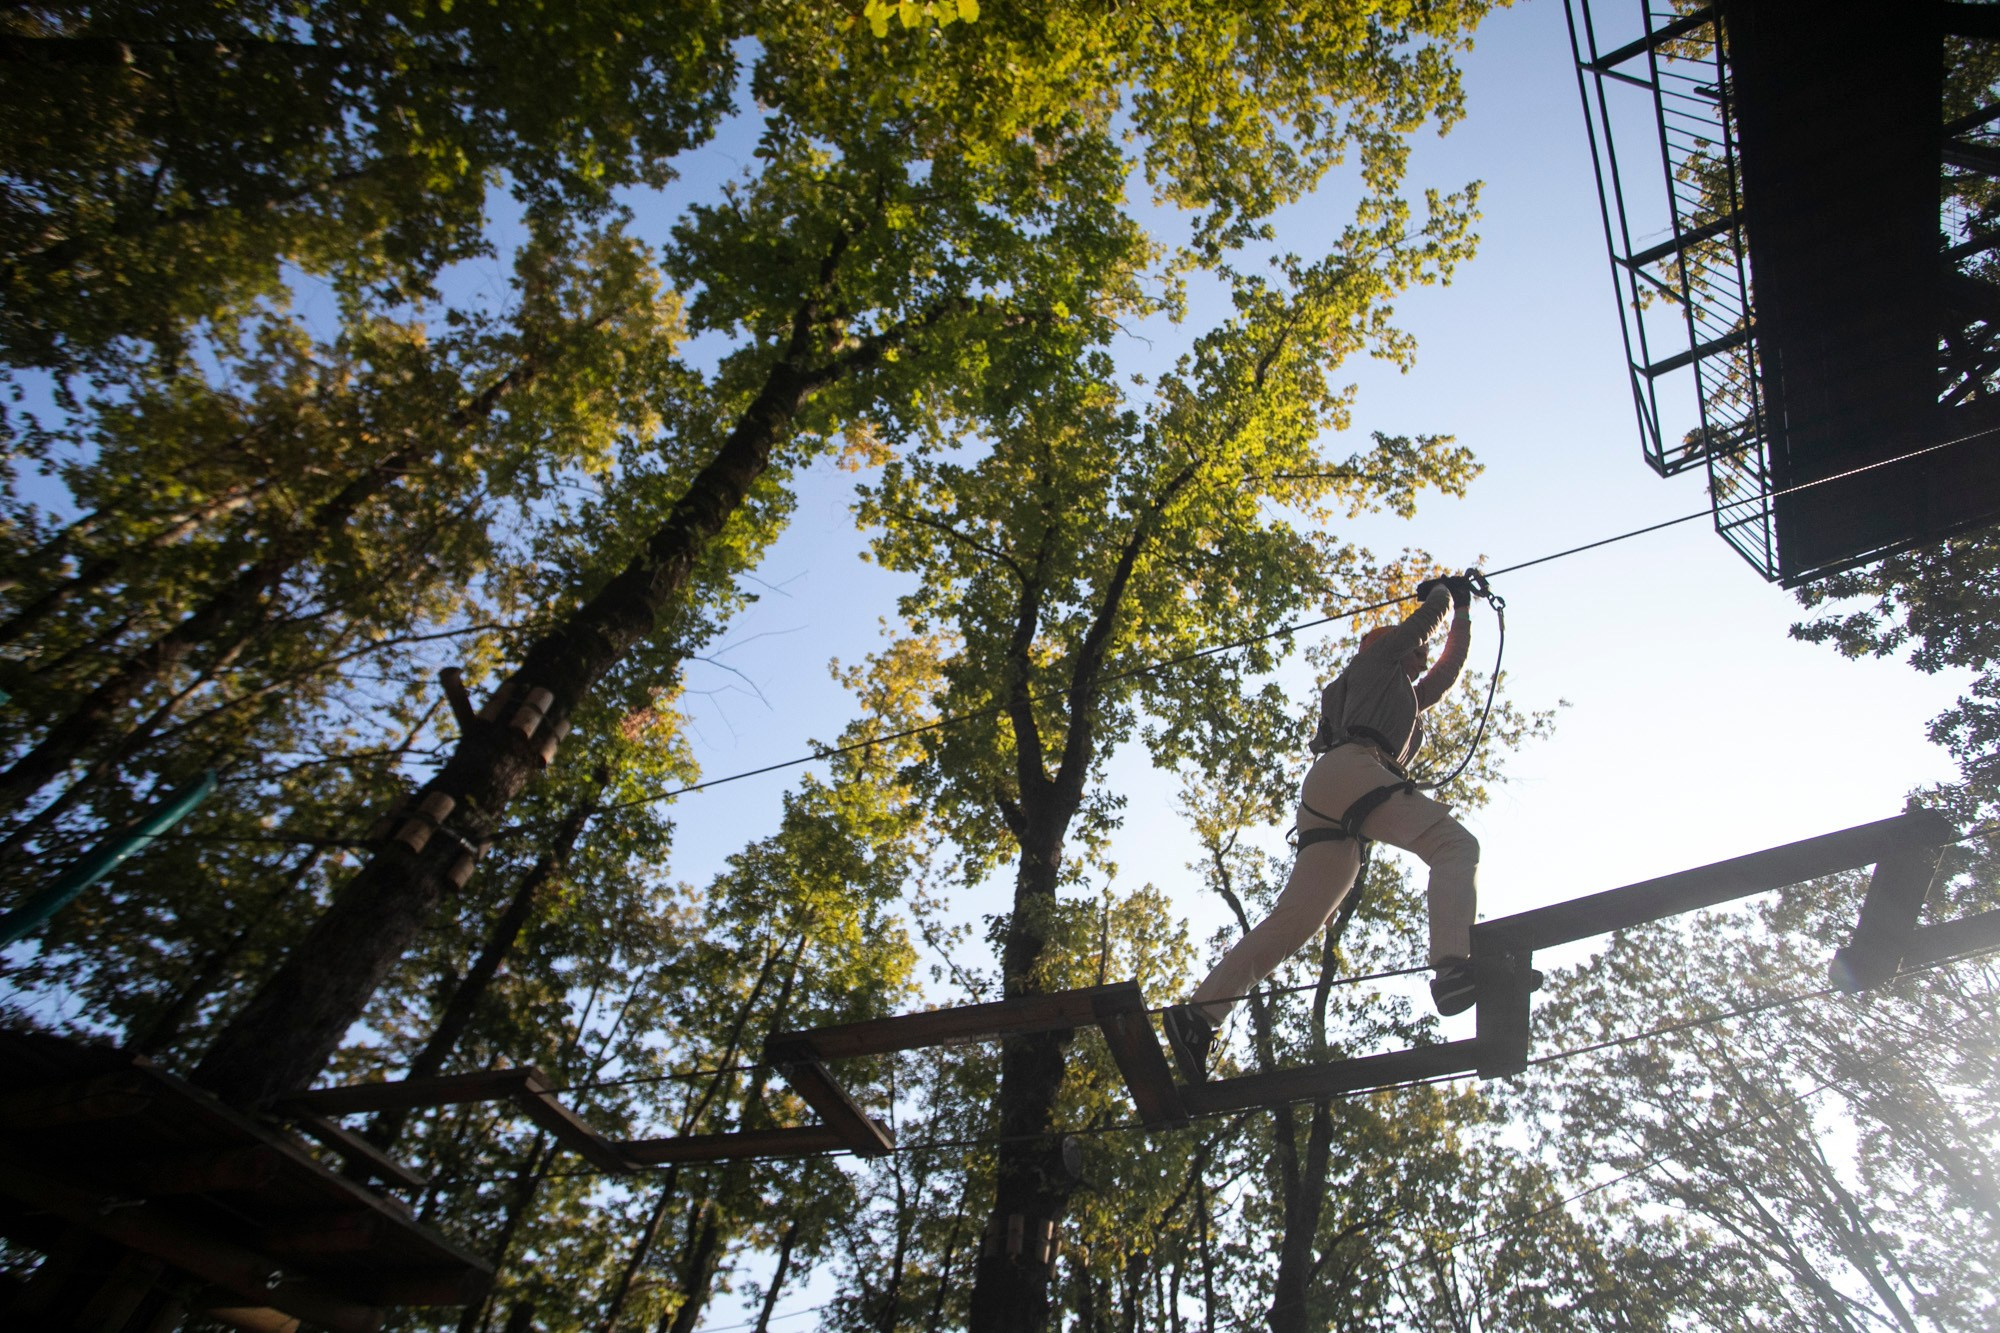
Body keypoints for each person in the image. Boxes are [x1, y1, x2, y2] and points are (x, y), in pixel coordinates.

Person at [1164, 575, 1483, 1082]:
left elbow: (1447, 669)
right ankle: (1452, 968)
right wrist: (1441, 595)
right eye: (1414, 652)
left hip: (1335, 793)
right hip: (1352, 771)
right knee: (1454, 846)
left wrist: (1462, 609)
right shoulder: (1374, 662)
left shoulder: (1400, 695)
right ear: (1391, 648)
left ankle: (1198, 1016)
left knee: (1297, 922)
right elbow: (1422, 629)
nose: (1422, 659)